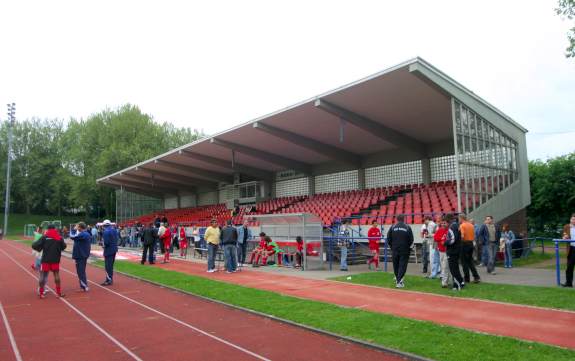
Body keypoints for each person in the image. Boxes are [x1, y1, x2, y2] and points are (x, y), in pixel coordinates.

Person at [32, 224, 66, 298]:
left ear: (48, 229)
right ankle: (58, 293)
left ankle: (41, 293)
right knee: (56, 275)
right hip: (55, 259)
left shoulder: (44, 237)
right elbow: (64, 247)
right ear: (54, 229)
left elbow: (34, 245)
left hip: (45, 259)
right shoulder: (59, 237)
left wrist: (40, 248)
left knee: (42, 275)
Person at [386, 214, 414, 288]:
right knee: (402, 265)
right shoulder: (407, 227)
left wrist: (392, 247)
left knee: (396, 264)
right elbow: (411, 240)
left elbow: (388, 238)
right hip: (405, 249)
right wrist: (409, 248)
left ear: (397, 219)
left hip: (395, 249)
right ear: (403, 219)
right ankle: (399, 282)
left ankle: (397, 278)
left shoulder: (392, 227)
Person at [69, 222, 92, 292]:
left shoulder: (83, 234)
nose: (76, 227)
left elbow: (72, 236)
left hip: (81, 255)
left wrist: (73, 229)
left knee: (81, 271)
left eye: (77, 226)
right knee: (80, 271)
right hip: (81, 255)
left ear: (80, 227)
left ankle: (84, 286)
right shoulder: (85, 234)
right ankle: (83, 285)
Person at [444, 214, 464, 291]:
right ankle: (461, 282)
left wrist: (445, 242)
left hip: (452, 250)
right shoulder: (456, 225)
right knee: (456, 268)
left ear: (448, 220)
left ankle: (457, 285)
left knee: (453, 269)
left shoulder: (452, 227)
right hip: (457, 249)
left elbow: (452, 240)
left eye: (445, 221)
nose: (445, 223)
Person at [459, 214, 481, 283]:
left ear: (461, 218)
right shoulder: (471, 225)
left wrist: (460, 242)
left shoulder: (462, 225)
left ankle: (466, 278)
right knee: (470, 261)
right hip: (471, 243)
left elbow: (462, 236)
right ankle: (476, 277)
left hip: (464, 243)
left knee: (464, 262)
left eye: (459, 219)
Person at [434, 218, 451, 288]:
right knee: (443, 266)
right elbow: (435, 238)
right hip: (441, 251)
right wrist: (441, 239)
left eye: (444, 223)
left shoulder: (449, 230)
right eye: (442, 223)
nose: (443, 224)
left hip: (447, 251)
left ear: (447, 224)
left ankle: (444, 283)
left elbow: (450, 240)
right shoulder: (439, 230)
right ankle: (446, 281)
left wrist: (443, 240)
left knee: (445, 267)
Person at [101, 220, 118, 286]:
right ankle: (110, 279)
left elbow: (106, 242)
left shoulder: (106, 231)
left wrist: (103, 245)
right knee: (110, 266)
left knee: (108, 266)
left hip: (108, 250)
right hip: (114, 249)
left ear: (104, 225)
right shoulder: (114, 230)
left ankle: (109, 280)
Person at [561, 213, 575, 287]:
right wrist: (564, 237)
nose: (574, 221)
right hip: (571, 249)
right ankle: (569, 283)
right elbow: (564, 235)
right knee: (569, 267)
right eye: (572, 219)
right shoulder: (566, 226)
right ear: (570, 219)